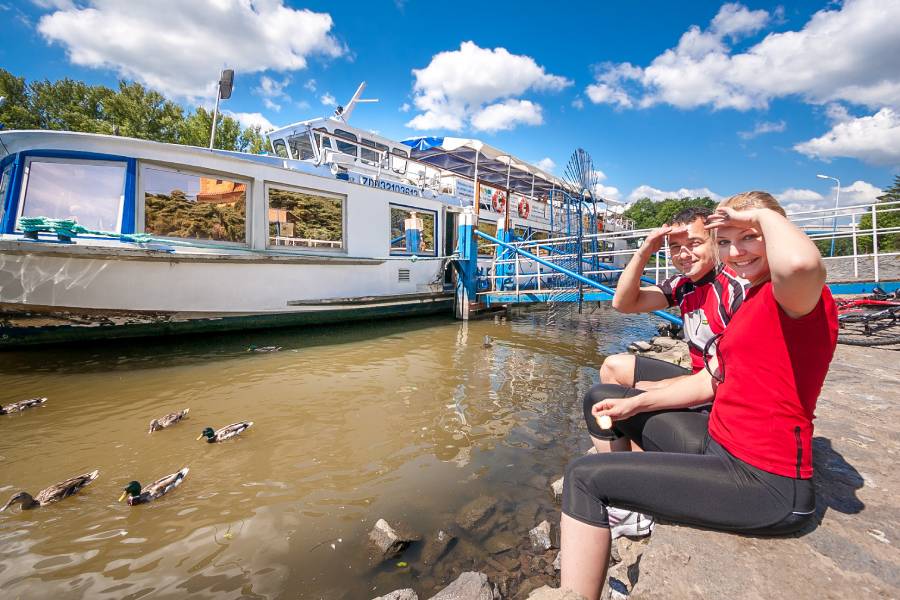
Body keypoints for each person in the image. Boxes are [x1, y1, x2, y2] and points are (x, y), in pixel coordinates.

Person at [560, 192, 838, 600]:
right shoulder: (755, 295)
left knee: (583, 479)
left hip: (765, 481)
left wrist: (759, 214)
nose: (735, 252)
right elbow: (717, 374)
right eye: (725, 242)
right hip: (719, 444)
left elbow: (800, 265)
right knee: (605, 397)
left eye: (749, 237)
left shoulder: (793, 300)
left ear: (774, 233)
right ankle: (631, 502)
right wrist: (636, 402)